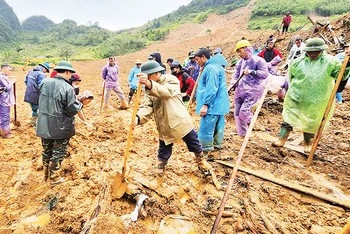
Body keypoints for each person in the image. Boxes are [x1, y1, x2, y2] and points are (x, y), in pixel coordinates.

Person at [132, 61, 213, 189]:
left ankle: (201, 162)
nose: (146, 79)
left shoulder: (171, 80)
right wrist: (137, 119)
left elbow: (166, 92)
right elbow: (147, 106)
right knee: (163, 151)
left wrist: (149, 84)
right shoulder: (149, 88)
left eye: (148, 76)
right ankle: (159, 175)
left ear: (156, 74)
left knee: (194, 143)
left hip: (180, 122)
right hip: (164, 125)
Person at [272, 38, 350, 152]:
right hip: (296, 95)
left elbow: (340, 76)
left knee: (310, 122)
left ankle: (308, 144)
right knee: (288, 117)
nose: (312, 54)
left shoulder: (331, 62)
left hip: (317, 99)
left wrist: (347, 65)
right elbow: (291, 77)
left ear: (322, 50)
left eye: (315, 51)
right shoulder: (298, 62)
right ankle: (281, 140)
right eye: (310, 51)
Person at [36, 61, 83, 184]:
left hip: (44, 124)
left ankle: (46, 174)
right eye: (71, 73)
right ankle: (55, 177)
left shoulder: (44, 82)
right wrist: (80, 105)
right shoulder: (67, 88)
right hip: (60, 126)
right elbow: (71, 109)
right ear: (67, 72)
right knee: (58, 151)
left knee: (47, 149)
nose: (71, 75)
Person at [228, 40, 269, 137]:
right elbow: (235, 75)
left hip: (252, 90)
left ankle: (252, 124)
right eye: (237, 52)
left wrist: (252, 72)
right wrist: (232, 84)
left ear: (247, 49)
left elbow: (264, 74)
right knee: (237, 113)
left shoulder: (259, 61)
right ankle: (243, 133)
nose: (239, 54)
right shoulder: (239, 63)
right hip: (240, 90)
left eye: (240, 51)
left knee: (244, 112)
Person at [194, 49, 230, 154]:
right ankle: (216, 146)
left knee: (206, 128)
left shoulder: (211, 69)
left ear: (203, 57)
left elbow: (211, 88)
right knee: (218, 127)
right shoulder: (216, 66)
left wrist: (206, 104)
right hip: (219, 104)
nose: (196, 62)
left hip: (212, 105)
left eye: (197, 59)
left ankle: (204, 150)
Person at [24, 62, 50, 127]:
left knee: (34, 109)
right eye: (46, 71)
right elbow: (42, 86)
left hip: (29, 94)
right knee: (38, 109)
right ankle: (36, 124)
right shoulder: (41, 74)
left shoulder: (31, 71)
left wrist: (31, 88)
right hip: (36, 95)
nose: (45, 72)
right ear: (44, 68)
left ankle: (34, 122)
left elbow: (26, 81)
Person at [0, 64, 16, 138]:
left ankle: (1, 130)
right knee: (5, 116)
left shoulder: (3, 77)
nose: (10, 72)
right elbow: (8, 88)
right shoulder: (2, 77)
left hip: (3, 99)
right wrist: (12, 81)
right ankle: (6, 133)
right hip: (4, 99)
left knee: (2, 116)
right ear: (4, 69)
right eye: (9, 70)